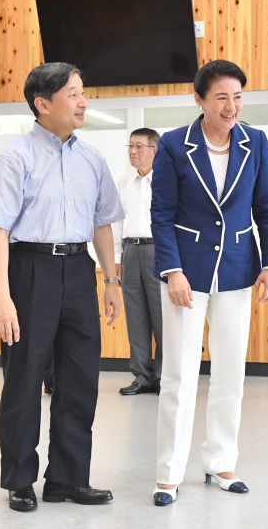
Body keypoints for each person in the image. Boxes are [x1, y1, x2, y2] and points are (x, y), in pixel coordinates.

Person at [0, 62, 124, 513]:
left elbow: (102, 224)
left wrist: (112, 279)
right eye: (73, 94)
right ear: (43, 105)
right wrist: (1, 297)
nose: (83, 102)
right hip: (30, 272)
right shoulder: (15, 158)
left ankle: (67, 478)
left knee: (81, 379)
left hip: (79, 271)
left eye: (83, 93)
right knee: (24, 380)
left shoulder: (92, 158)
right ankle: (20, 479)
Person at [150, 59, 268, 506]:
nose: (232, 106)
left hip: (238, 271)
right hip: (186, 275)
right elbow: (162, 215)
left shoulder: (256, 143)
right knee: (180, 376)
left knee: (230, 373)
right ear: (200, 100)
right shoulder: (173, 146)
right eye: (222, 97)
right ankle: (168, 472)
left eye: (238, 97)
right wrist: (172, 271)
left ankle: (220, 461)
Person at [114, 128, 164, 395]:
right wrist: (116, 258)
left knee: (163, 318)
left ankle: (165, 376)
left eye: (139, 146)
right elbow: (116, 221)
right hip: (130, 251)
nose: (132, 151)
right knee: (136, 317)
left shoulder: (166, 180)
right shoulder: (124, 183)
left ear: (154, 150)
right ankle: (142, 376)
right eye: (130, 146)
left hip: (159, 251)